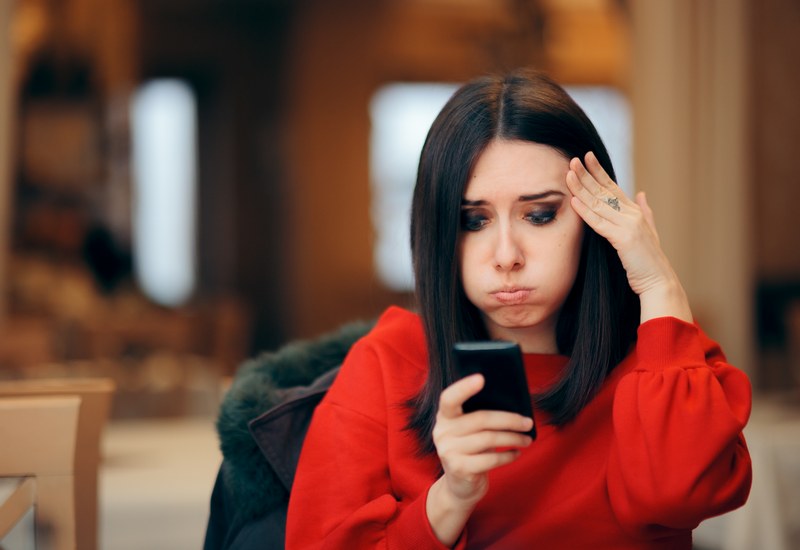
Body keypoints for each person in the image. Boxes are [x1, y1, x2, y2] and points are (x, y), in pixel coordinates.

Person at [285, 68, 752, 549]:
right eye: (473, 221)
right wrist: (450, 497)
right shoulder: (386, 364)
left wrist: (658, 281)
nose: (506, 255)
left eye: (540, 214)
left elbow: (678, 497)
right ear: (439, 232)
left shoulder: (663, 355)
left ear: (596, 218)